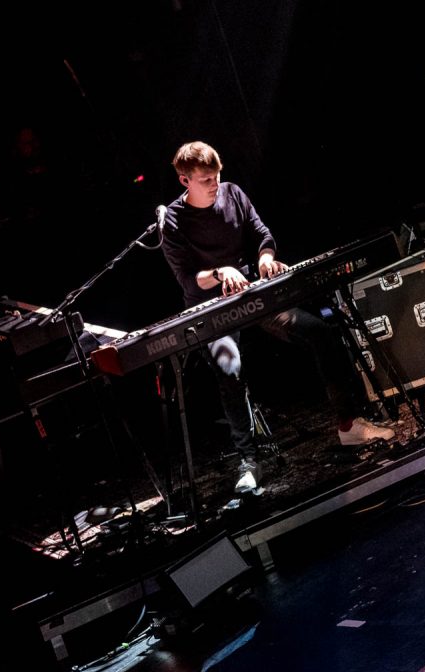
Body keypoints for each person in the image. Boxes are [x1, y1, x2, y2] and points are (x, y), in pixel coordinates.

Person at [160, 141, 394, 492]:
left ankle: (348, 425)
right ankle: (247, 461)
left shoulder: (233, 194)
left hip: (250, 294)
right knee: (230, 368)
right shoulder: (174, 221)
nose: (215, 184)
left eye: (217, 176)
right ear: (184, 181)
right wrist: (222, 272)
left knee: (318, 330)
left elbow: (262, 236)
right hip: (210, 310)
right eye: (206, 179)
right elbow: (187, 278)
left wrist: (265, 257)